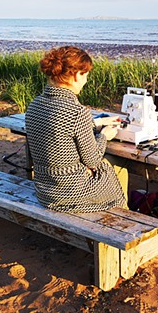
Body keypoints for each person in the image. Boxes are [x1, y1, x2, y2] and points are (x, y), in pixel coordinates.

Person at [25, 46, 127, 212]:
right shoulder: (77, 112)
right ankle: (123, 216)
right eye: (85, 75)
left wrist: (93, 124)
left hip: (45, 191)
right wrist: (103, 136)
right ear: (75, 75)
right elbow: (93, 160)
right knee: (115, 167)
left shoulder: (34, 105)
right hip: (70, 194)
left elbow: (60, 131)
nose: (86, 80)